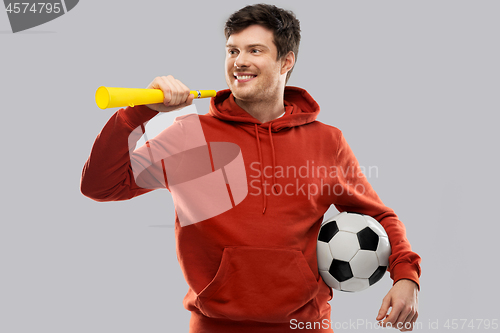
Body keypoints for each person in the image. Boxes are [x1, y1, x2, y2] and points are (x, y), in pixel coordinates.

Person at [81, 4, 421, 333]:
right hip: (214, 327)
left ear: (286, 61)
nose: (239, 61)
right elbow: (101, 186)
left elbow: (379, 217)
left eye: (254, 50)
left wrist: (406, 275)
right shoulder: (189, 136)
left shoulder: (327, 141)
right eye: (232, 51)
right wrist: (136, 113)